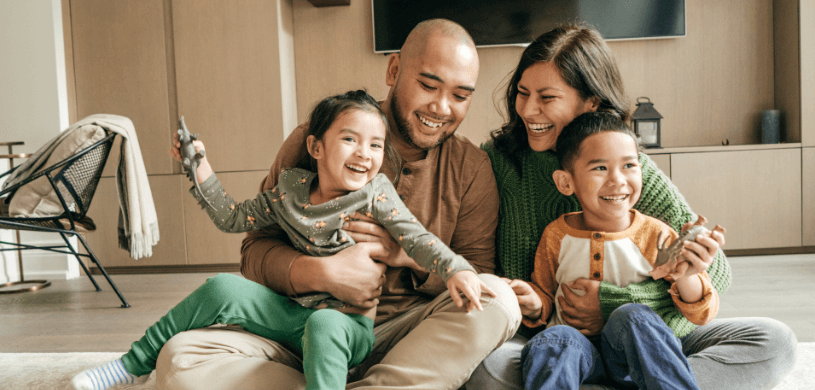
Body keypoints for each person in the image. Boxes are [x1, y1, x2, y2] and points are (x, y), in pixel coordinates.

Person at [153, 19, 521, 390]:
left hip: (405, 340)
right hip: (301, 330)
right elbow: (254, 251)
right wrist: (322, 274)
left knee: (499, 301)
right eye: (428, 85)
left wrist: (405, 255)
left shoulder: (472, 168)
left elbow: (476, 276)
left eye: (460, 96)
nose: (442, 107)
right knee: (180, 359)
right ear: (393, 70)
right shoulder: (318, 139)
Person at [69, 90, 496, 390]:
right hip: (291, 317)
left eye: (376, 145)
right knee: (221, 287)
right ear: (315, 146)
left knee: (326, 323)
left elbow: (418, 238)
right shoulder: (288, 193)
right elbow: (234, 218)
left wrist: (454, 268)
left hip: (348, 327)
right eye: (350, 139)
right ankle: (129, 365)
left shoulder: (376, 194)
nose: (365, 153)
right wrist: (199, 169)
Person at [466, 23, 797, 390]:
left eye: (547, 98)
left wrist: (612, 304)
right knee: (488, 369)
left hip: (644, 336)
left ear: (590, 101)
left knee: (774, 342)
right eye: (523, 93)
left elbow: (714, 274)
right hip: (555, 343)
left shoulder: (628, 171)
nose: (528, 109)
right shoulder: (497, 162)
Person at [516, 111, 726, 389]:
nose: (618, 180)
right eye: (600, 168)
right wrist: (533, 304)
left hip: (632, 357)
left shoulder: (657, 235)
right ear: (566, 182)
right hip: (576, 353)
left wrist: (687, 276)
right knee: (551, 341)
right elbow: (545, 294)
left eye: (629, 165)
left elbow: (701, 314)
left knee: (633, 316)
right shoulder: (556, 234)